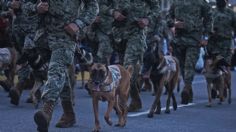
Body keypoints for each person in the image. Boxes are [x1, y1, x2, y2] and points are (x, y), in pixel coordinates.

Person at [33, 0, 98, 132]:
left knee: (55, 70)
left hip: (66, 36)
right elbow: (25, 4)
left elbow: (93, 6)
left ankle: (47, 110)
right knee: (61, 73)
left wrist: (78, 23)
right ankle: (68, 113)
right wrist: (36, 7)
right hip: (43, 36)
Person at [112, 0, 160, 111]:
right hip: (118, 36)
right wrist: (112, 12)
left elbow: (156, 8)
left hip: (137, 34)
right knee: (127, 70)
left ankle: (121, 102)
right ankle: (136, 100)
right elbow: (102, 5)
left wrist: (148, 19)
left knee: (128, 67)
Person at [167, 0, 212, 104]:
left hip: (194, 40)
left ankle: (186, 88)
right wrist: (174, 24)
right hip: (178, 40)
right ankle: (188, 89)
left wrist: (205, 37)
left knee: (189, 65)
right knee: (182, 66)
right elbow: (168, 18)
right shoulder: (176, 2)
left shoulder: (201, 2)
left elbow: (209, 19)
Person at [207, 0, 236, 90]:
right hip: (213, 45)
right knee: (214, 66)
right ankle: (215, 88)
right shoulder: (211, 13)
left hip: (226, 44)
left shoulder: (231, 13)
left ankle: (227, 86)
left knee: (226, 66)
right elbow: (206, 26)